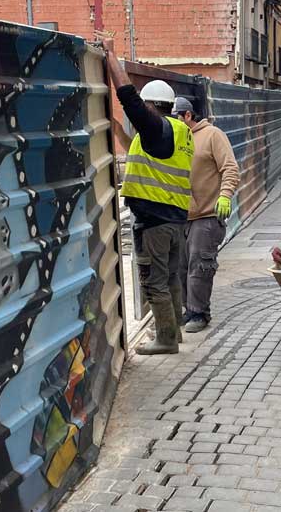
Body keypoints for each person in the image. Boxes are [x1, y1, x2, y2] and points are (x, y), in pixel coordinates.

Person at [101, 38, 195, 355]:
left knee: (154, 281)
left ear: (152, 106)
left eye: (145, 108)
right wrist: (116, 131)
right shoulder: (176, 132)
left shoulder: (156, 128)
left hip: (155, 222)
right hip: (174, 219)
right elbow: (146, 157)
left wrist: (111, 56)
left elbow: (128, 97)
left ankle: (166, 339)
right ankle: (174, 332)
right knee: (170, 279)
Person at [173, 97, 239, 333]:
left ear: (188, 115)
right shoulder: (175, 137)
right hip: (181, 214)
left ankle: (200, 313)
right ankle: (187, 309)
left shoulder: (213, 135)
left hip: (207, 214)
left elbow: (230, 167)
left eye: (177, 117)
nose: (174, 122)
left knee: (199, 265)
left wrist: (225, 194)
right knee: (180, 266)